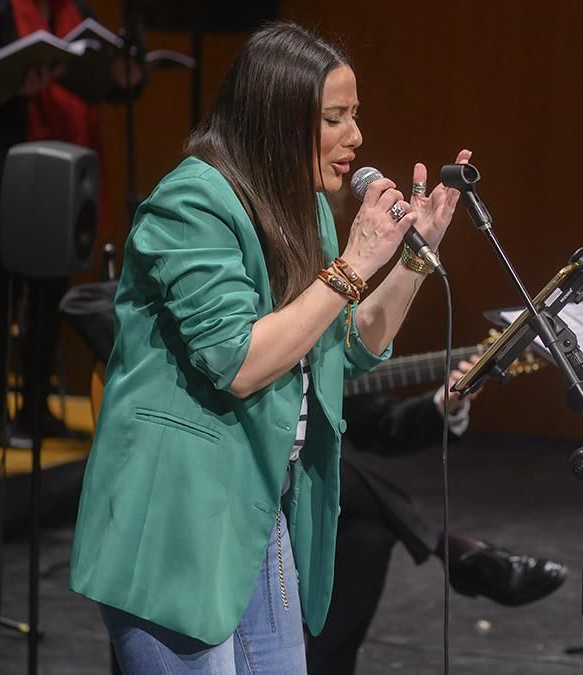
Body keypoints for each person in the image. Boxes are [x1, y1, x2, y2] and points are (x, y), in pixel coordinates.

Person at [68, 20, 469, 673]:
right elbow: (239, 360)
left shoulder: (302, 206)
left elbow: (348, 341)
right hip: (179, 516)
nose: (357, 138)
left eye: (355, 115)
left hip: (258, 506)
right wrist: (353, 263)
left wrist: (413, 261)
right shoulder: (192, 202)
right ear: (278, 119)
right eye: (335, 117)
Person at [308, 356, 567, 674]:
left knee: (369, 536)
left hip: (315, 494)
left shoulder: (325, 336)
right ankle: (451, 547)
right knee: (320, 470)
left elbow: (381, 425)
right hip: (246, 480)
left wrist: (446, 403)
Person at [0, 0, 135, 448]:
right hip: (10, 167)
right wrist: (20, 85)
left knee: (49, 296)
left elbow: (102, 83)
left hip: (65, 171)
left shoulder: (76, 12)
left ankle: (35, 409)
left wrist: (126, 76)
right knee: (3, 292)